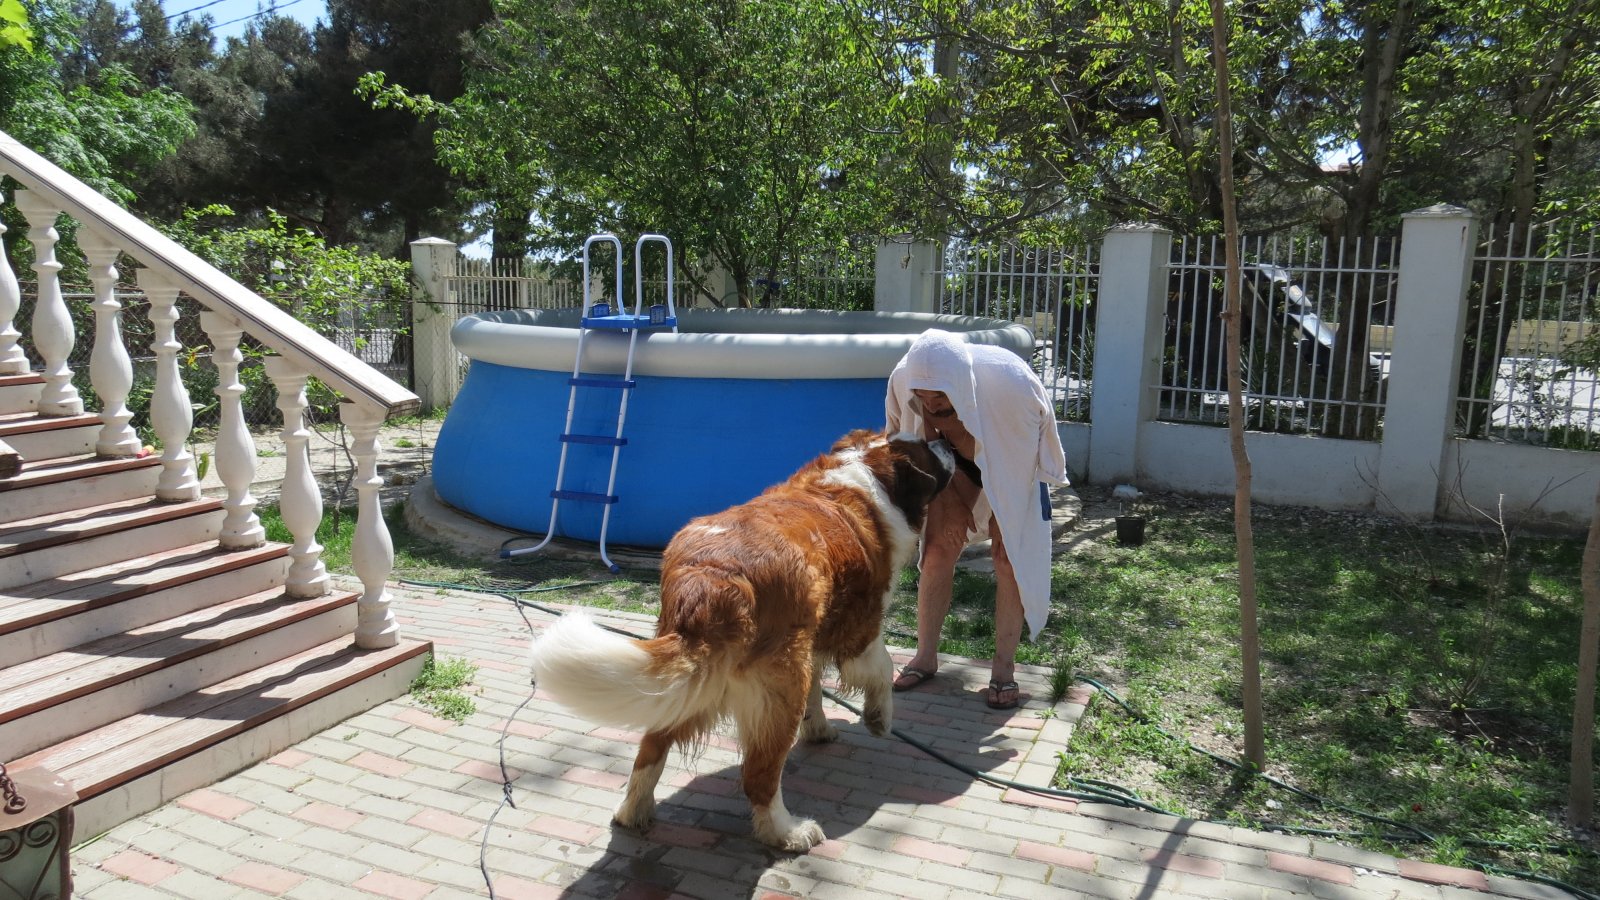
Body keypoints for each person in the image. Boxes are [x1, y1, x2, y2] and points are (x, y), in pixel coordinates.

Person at [884, 329, 1068, 709]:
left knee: (1008, 558)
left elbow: (1020, 468)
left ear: (960, 384)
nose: (931, 404)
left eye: (940, 398)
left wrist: (1002, 517)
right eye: (924, 397)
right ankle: (925, 657)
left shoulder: (1011, 389)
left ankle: (1003, 669)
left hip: (1013, 459)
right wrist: (951, 497)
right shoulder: (907, 377)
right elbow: (914, 440)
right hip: (956, 460)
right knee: (937, 549)